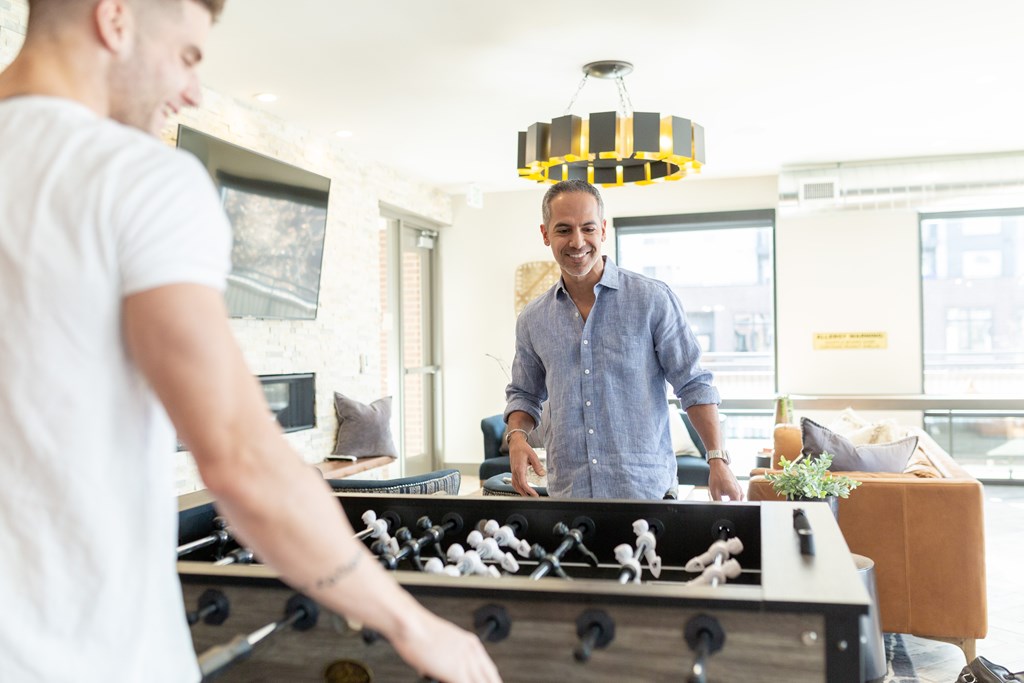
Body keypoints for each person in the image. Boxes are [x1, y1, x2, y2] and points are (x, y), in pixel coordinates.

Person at [0, 2, 500, 682]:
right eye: (186, 56)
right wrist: (412, 622)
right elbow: (240, 459)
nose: (193, 92)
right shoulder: (137, 177)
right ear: (114, 18)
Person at [504, 179, 745, 503]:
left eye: (588, 228)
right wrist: (517, 436)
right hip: (569, 495)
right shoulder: (533, 319)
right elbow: (524, 393)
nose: (578, 242)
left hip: (646, 493)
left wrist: (717, 459)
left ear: (603, 230)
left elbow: (693, 382)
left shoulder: (652, 300)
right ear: (546, 234)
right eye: (563, 230)